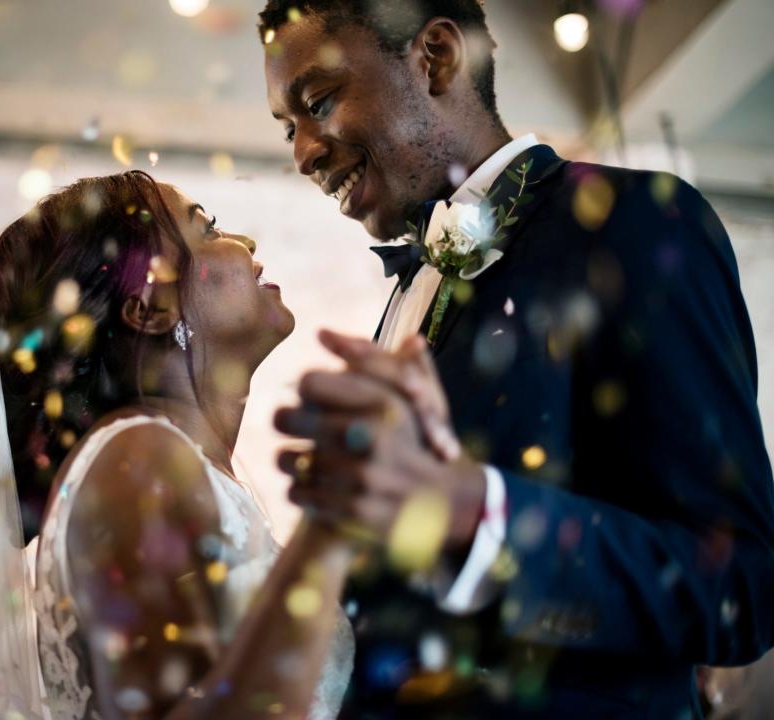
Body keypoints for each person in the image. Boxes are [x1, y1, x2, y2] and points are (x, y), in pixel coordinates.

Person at [260, 1, 774, 716]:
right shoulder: (411, 286)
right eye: (288, 130)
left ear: (436, 56)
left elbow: (741, 588)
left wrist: (475, 512)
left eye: (317, 103)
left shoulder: (634, 224)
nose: (303, 153)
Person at [0, 171, 355, 720]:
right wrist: (334, 526)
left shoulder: (161, 467)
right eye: (207, 228)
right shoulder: (136, 466)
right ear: (148, 310)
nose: (246, 243)